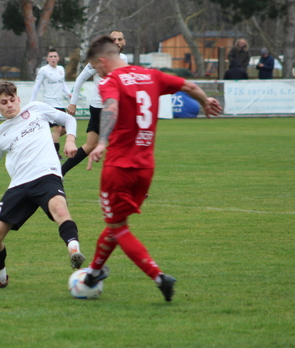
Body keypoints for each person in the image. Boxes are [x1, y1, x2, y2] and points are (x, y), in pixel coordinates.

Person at [83, 35, 222, 301]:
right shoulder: (151, 75)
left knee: (118, 227)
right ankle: (93, 272)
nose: (98, 74)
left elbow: (111, 106)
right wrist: (206, 102)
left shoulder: (110, 81)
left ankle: (159, 277)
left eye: (96, 68)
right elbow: (189, 85)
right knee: (116, 224)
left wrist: (101, 142)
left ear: (102, 61)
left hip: (119, 168)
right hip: (145, 169)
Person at [0, 80, 85, 289]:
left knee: (59, 208)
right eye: (4, 102)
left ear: (19, 99)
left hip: (46, 175)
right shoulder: (0, 132)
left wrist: (70, 140)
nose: (9, 105)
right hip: (19, 185)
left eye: (12, 100)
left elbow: (68, 119)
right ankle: (1, 278)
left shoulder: (36, 109)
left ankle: (74, 249)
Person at [62, 30, 129, 175]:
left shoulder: (123, 59)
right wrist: (73, 103)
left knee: (90, 145)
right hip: (101, 108)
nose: (117, 42)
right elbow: (80, 79)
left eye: (119, 39)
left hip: (113, 107)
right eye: (113, 40)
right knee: (122, 146)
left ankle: (59, 173)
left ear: (124, 42)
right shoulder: (99, 59)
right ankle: (131, 186)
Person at [30, 47, 72, 159]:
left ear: (58, 58)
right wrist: (31, 101)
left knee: (66, 128)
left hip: (60, 104)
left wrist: (69, 93)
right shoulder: (43, 70)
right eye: (51, 57)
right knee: (57, 128)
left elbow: (62, 84)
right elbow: (37, 85)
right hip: (50, 104)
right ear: (47, 59)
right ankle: (55, 153)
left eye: (55, 56)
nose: (53, 58)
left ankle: (43, 143)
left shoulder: (61, 69)